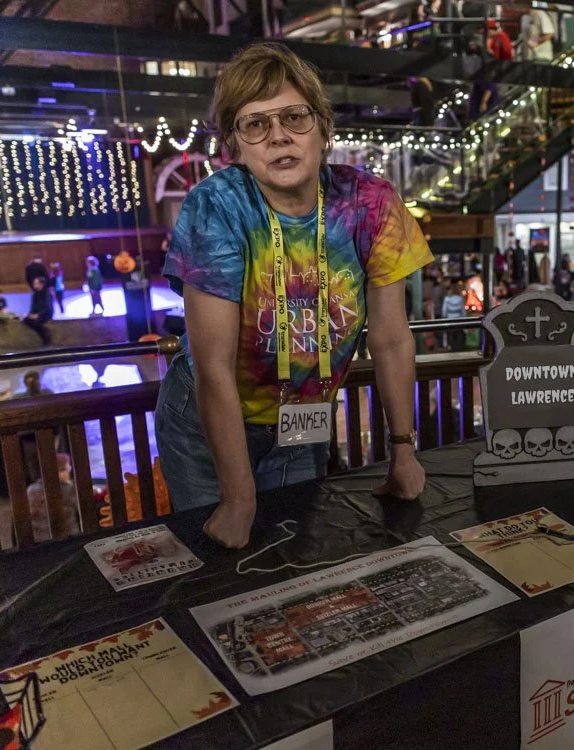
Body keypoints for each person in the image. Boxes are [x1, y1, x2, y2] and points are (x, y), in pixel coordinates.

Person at [155, 43, 433, 549]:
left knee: (291, 550)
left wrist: (403, 449)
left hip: (303, 422)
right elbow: (213, 365)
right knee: (220, 563)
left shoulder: (372, 205)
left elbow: (391, 340)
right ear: (234, 147)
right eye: (255, 124)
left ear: (324, 128)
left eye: (294, 117)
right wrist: (239, 498)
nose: (278, 135)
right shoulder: (216, 207)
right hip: (206, 423)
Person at [24, 276, 54, 345]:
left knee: (36, 322)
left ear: (41, 284)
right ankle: (44, 331)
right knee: (26, 320)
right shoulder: (35, 294)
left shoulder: (46, 293)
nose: (34, 285)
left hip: (46, 313)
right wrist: (30, 314)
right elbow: (33, 305)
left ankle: (46, 338)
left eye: (36, 283)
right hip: (37, 313)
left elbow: (48, 307)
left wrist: (38, 315)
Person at [442, 280, 467, 350]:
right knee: (459, 338)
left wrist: (444, 318)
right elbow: (463, 312)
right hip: (459, 321)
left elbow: (444, 311)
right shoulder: (460, 299)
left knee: (451, 337)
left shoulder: (447, 299)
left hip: (449, 320)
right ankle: (459, 350)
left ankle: (452, 349)